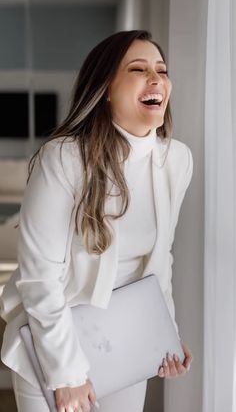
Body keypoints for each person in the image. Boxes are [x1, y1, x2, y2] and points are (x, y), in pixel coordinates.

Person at [0, 30, 194, 412]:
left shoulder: (176, 160)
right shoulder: (64, 159)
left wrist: (164, 333)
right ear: (105, 88)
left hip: (124, 344)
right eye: (138, 69)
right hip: (53, 344)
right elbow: (40, 278)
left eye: (162, 70)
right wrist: (67, 375)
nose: (156, 78)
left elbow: (160, 259)